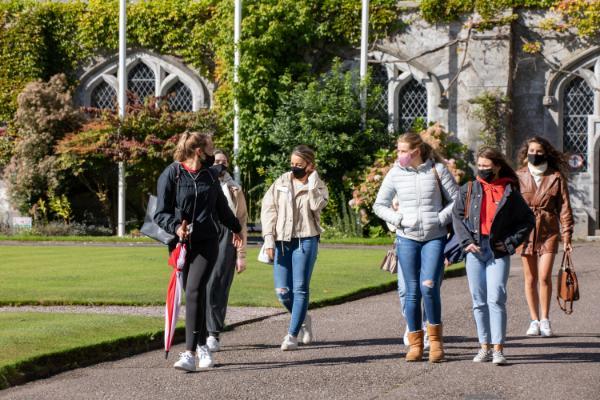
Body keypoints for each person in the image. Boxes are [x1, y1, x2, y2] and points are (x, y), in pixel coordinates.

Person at [154, 131, 242, 372]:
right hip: (180, 245)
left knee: (194, 290)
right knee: (196, 295)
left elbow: (222, 209)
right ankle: (203, 345)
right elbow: (160, 213)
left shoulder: (210, 176)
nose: (214, 153)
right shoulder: (172, 174)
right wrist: (175, 228)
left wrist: (237, 229)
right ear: (198, 151)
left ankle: (190, 353)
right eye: (210, 148)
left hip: (206, 242)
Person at [373, 132, 458, 363]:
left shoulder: (437, 171)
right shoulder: (395, 173)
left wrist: (439, 219)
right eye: (398, 151)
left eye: (402, 151)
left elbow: (457, 201)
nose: (399, 155)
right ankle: (415, 344)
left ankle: (437, 343)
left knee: (429, 287)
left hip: (434, 238)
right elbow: (379, 205)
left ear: (416, 151)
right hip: (407, 238)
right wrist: (398, 219)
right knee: (411, 293)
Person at [452, 147, 534, 365]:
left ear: (497, 167)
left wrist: (510, 243)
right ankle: (484, 347)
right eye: (479, 166)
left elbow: (527, 220)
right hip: (475, 251)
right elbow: (457, 216)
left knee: (496, 298)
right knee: (478, 301)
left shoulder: (509, 191)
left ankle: (498, 349)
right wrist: (466, 242)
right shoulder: (468, 189)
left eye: (486, 167)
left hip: (497, 250)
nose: (482, 170)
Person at [260, 145, 328, 351]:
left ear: (310, 165)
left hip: (306, 240)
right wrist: (269, 239)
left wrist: (313, 181)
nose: (294, 168)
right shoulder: (281, 182)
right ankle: (303, 317)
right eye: (292, 164)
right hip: (282, 241)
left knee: (300, 288)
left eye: (299, 164)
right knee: (282, 292)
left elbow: (317, 206)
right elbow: (268, 209)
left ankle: (292, 334)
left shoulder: (319, 185)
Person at [516, 136, 573, 337]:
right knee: (530, 278)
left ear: (545, 152)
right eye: (532, 151)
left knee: (544, 276)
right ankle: (534, 320)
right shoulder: (519, 176)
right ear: (526, 152)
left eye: (539, 151)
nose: (535, 154)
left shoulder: (556, 177)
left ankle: (545, 319)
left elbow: (565, 208)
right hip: (525, 231)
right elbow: (511, 207)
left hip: (549, 230)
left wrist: (567, 237)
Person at [204, 149, 248, 352]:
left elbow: (241, 222)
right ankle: (202, 329)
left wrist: (241, 255)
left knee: (219, 284)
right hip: (205, 233)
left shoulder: (234, 189)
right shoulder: (201, 182)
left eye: (223, 162)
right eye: (216, 161)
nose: (220, 165)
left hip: (227, 236)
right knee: (201, 284)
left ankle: (213, 333)